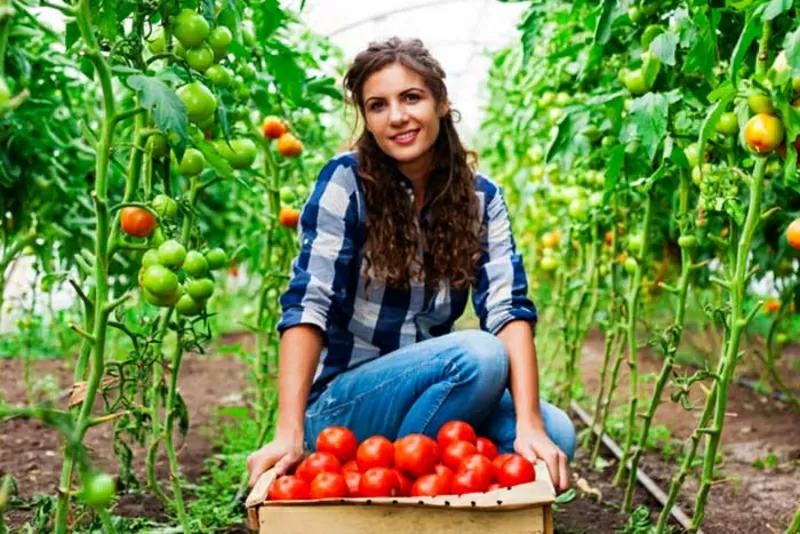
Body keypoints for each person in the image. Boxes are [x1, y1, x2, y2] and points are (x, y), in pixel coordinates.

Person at [246, 37, 576, 493]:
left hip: (427, 394)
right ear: (367, 118)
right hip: (346, 403)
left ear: (441, 103)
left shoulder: (482, 199)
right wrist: (288, 431)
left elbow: (508, 308)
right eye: (378, 105)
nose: (396, 116)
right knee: (479, 356)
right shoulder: (346, 183)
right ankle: (401, 488)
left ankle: (392, 479)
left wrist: (530, 424)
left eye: (412, 97)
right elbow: (309, 304)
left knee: (555, 433)